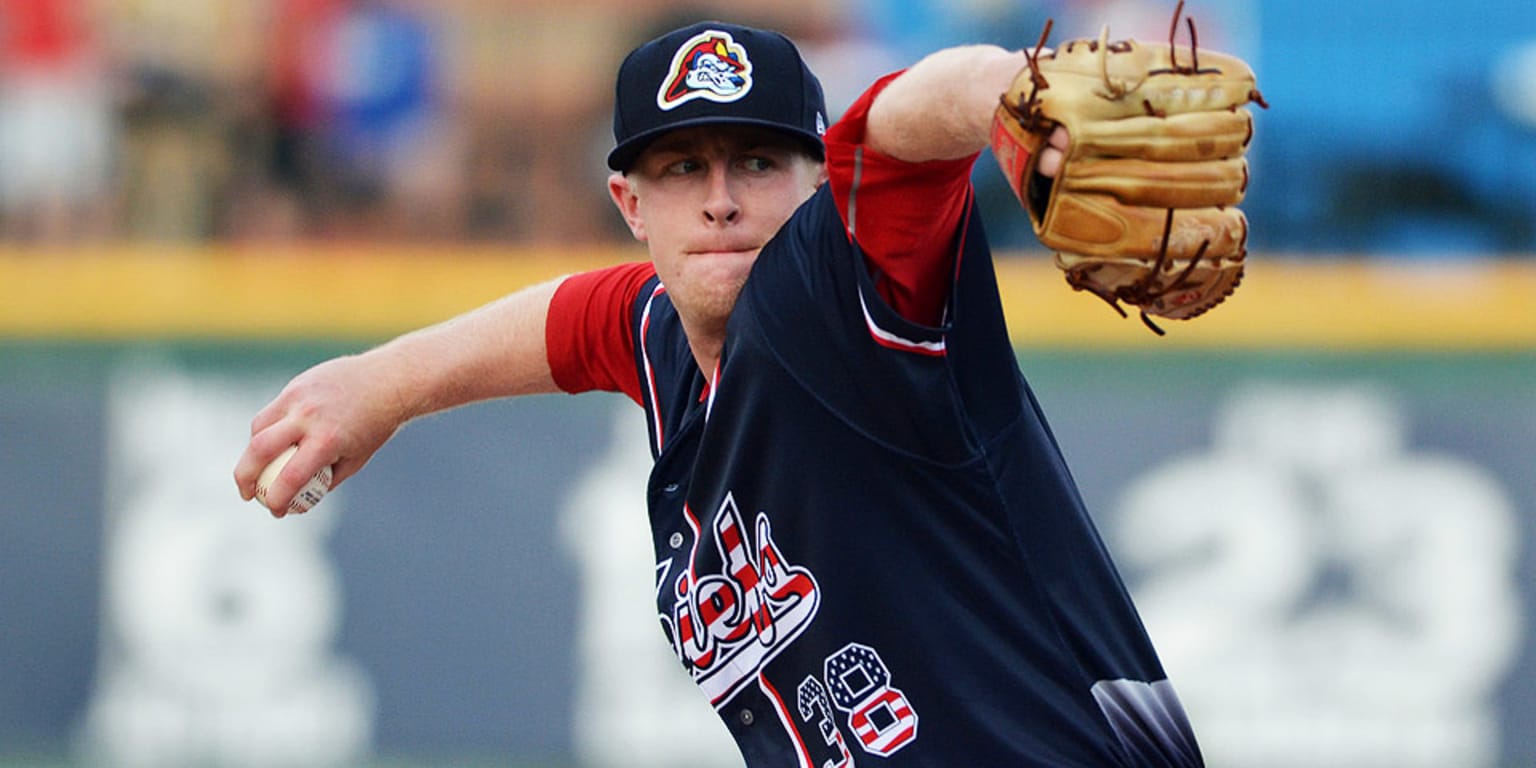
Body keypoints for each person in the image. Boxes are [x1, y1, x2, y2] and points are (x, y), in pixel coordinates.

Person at [235, 20, 1202, 765]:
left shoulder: (844, 292)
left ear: (817, 178)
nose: (721, 198)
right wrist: (382, 385)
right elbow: (576, 322)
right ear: (630, 205)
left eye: (757, 161)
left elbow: (914, 118)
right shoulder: (670, 335)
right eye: (681, 167)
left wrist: (1019, 98)